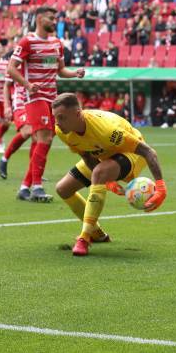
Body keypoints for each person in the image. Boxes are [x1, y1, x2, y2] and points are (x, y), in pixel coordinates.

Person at [52, 93, 167, 256]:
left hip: (132, 155)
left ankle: (84, 238)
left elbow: (148, 152)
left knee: (99, 172)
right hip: (103, 154)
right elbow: (86, 156)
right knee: (63, 189)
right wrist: (108, 182)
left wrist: (161, 188)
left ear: (77, 114)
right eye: (55, 117)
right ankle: (97, 234)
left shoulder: (106, 130)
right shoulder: (62, 131)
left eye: (61, 117)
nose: (57, 122)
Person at [7, 6, 86, 202]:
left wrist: (74, 73)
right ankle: (37, 187)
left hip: (53, 98)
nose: (54, 21)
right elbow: (11, 68)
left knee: (40, 142)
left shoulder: (57, 43)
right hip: (34, 97)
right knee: (46, 138)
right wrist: (28, 84)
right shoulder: (27, 41)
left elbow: (61, 70)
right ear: (40, 19)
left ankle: (25, 187)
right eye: (51, 18)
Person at [0, 73, 32, 180]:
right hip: (20, 102)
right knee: (27, 131)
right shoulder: (16, 60)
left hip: (36, 101)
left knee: (38, 136)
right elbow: (7, 85)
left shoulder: (38, 59)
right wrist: (7, 106)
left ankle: (33, 172)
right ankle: (4, 159)